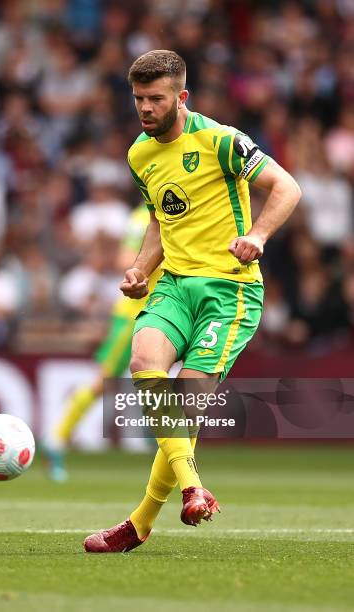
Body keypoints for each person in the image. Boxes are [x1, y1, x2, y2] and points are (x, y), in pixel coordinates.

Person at [84, 50, 301, 553]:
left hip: (230, 291)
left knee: (183, 405)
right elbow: (162, 219)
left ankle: (138, 523)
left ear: (181, 97)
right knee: (142, 360)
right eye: (138, 98)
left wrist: (260, 235)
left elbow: (286, 187)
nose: (145, 108)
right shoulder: (139, 155)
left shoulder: (221, 140)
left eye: (156, 99)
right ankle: (191, 487)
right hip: (175, 285)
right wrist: (141, 266)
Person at [43, 204, 162, 480]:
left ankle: (170, 455)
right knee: (104, 381)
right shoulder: (142, 217)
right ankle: (56, 439)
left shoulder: (185, 208)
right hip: (136, 313)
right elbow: (125, 260)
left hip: (167, 309)